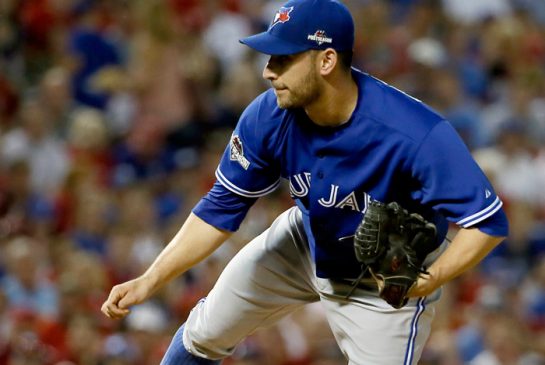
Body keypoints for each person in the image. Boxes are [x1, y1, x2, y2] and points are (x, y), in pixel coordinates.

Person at [101, 1, 509, 364]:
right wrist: (149, 280)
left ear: (326, 60)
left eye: (282, 59)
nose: (268, 71)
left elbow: (488, 224)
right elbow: (219, 208)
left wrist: (427, 281)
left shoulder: (414, 133)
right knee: (203, 333)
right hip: (305, 239)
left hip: (382, 284)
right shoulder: (269, 115)